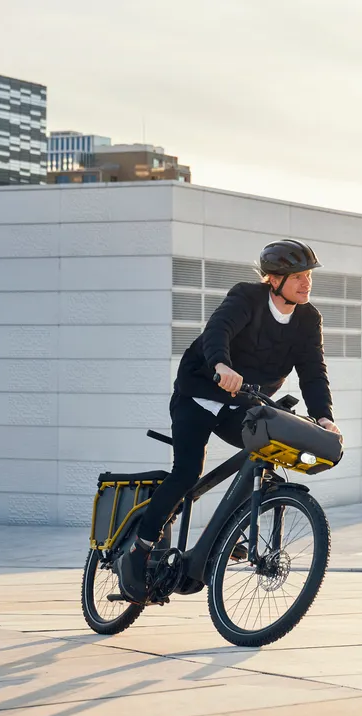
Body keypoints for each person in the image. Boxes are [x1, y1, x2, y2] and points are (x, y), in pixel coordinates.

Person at [115, 238, 343, 602]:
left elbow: (314, 373)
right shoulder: (247, 297)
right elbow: (218, 330)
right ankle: (141, 545)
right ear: (273, 279)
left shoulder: (308, 319)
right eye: (297, 276)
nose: (306, 283)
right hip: (199, 393)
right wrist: (221, 365)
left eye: (308, 276)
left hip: (243, 401)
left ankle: (231, 529)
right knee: (188, 471)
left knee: (265, 450)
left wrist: (324, 417)